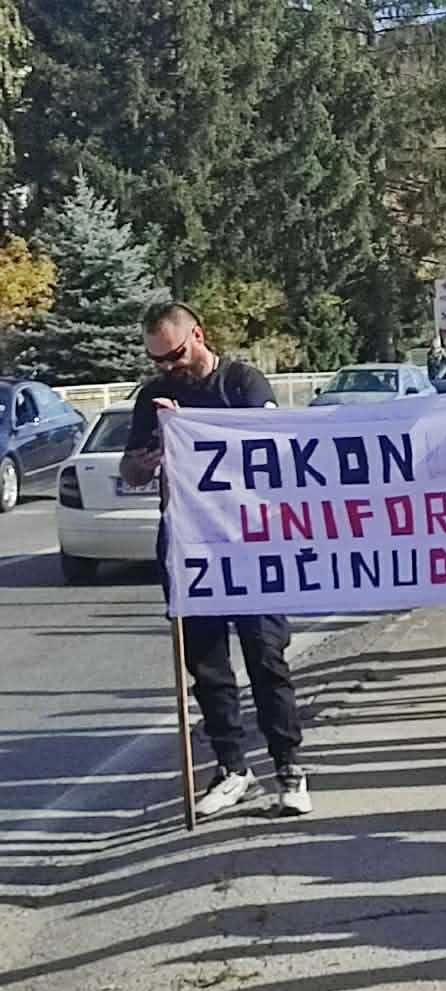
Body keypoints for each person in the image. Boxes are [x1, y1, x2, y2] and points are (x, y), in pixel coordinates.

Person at [121, 302, 309, 817]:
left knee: (266, 655)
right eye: (157, 360)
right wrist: (155, 452)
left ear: (197, 336)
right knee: (205, 663)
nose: (167, 368)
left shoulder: (243, 382)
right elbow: (132, 472)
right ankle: (232, 767)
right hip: (188, 543)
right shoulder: (154, 395)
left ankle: (288, 767)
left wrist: (200, 432)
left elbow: (272, 450)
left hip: (249, 540)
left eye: (174, 355)